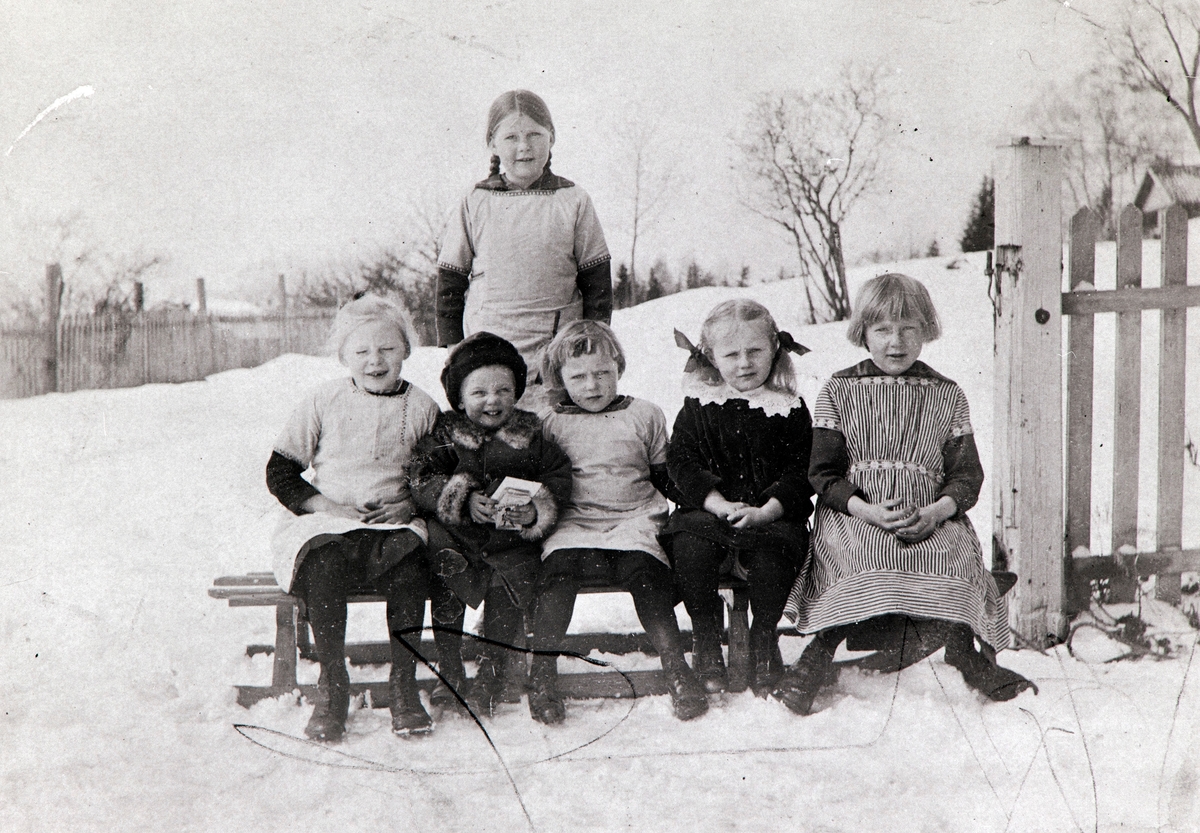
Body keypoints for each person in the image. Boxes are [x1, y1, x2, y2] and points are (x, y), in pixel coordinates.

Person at [774, 273, 1036, 716]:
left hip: (928, 510)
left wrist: (936, 512)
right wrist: (866, 509)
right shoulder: (838, 390)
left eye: (908, 328)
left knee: (952, 551)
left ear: (925, 330)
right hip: (855, 512)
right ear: (863, 332)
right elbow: (822, 473)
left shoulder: (947, 394)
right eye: (882, 329)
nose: (896, 342)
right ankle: (816, 655)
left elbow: (966, 476)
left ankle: (963, 651)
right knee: (862, 551)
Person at [266, 295, 440, 742]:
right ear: (344, 356)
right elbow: (280, 471)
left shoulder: (421, 408)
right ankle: (333, 685)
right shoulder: (323, 400)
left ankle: (403, 684)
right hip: (330, 523)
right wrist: (328, 507)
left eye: (387, 349)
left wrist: (411, 506)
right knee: (323, 564)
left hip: (392, 524)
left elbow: (439, 476)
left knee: (411, 563)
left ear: (405, 349)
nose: (375, 361)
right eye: (361, 352)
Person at [529, 321, 709, 724]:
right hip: (575, 522)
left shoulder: (644, 414)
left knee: (644, 571)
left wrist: (700, 500)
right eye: (578, 377)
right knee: (558, 571)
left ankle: (675, 666)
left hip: (634, 518)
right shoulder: (551, 422)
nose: (592, 385)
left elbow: (665, 476)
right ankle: (542, 673)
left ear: (619, 369)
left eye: (602, 374)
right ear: (560, 379)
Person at [407, 332, 572, 717]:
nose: (492, 400)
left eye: (502, 390)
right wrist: (459, 497)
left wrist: (535, 510)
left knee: (509, 581)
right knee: (446, 572)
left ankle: (489, 674)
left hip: (508, 540)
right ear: (459, 398)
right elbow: (420, 475)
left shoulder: (531, 437)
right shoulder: (446, 436)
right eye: (478, 392)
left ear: (516, 393)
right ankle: (449, 667)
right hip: (457, 536)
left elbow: (558, 478)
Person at [663, 299, 814, 697]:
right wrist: (715, 502)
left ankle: (764, 639)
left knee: (776, 554)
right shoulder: (699, 404)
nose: (745, 363)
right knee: (690, 544)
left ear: (775, 350)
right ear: (711, 357)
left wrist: (769, 509)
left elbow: (803, 470)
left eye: (755, 351)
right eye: (731, 354)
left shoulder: (789, 408)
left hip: (770, 518)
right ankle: (707, 639)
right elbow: (679, 461)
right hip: (709, 514)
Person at [436, 89, 612, 406]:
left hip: (556, 351)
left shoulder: (573, 200)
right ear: (492, 143)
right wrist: (454, 347)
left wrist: (593, 343)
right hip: (489, 350)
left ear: (552, 137)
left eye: (535, 134)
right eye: (511, 137)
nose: (524, 146)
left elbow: (596, 279)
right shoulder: (475, 200)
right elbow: (451, 278)